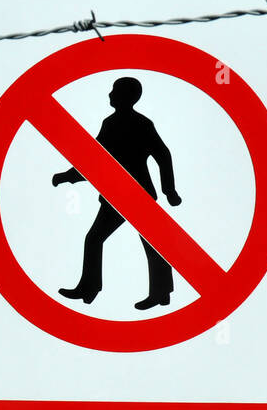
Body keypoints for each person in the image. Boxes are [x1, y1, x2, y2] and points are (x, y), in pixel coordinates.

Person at [51, 77, 181, 309]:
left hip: (137, 194)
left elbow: (163, 154)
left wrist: (169, 190)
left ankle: (160, 293)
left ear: (124, 96)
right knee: (98, 239)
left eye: (114, 91)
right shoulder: (110, 124)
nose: (110, 95)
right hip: (116, 195)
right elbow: (93, 158)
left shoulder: (141, 124)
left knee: (151, 244)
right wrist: (67, 177)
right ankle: (89, 289)